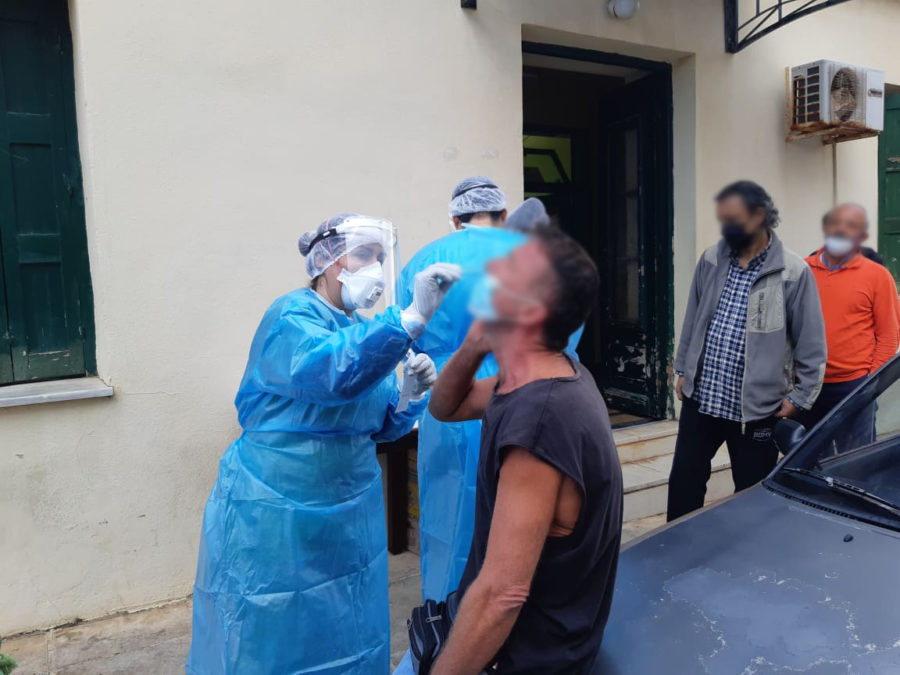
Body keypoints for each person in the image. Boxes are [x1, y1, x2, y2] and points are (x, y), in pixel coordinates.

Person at [187, 214, 460, 675]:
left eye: (380, 257)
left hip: (349, 516)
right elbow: (330, 373)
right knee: (272, 630)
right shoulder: (290, 317)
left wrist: (409, 397)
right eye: (365, 255)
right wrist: (409, 320)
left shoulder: (361, 329)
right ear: (328, 262)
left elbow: (378, 425)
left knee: (346, 629)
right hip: (278, 509)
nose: (375, 268)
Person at [422, 229, 621, 674]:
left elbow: (502, 595)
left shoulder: (540, 420)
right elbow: (445, 407)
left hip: (528, 657)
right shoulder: (535, 374)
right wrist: (476, 343)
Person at [397, 176, 525, 603]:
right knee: (518, 513)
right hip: (517, 395)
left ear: (455, 219)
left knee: (449, 517)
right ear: (504, 215)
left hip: (446, 401)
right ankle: (506, 613)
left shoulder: (424, 260)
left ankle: (449, 613)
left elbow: (403, 332)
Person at [667, 181, 827, 522]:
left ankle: (745, 553)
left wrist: (800, 399)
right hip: (702, 398)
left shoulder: (793, 272)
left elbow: (812, 345)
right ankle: (672, 547)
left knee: (752, 497)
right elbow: (693, 318)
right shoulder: (712, 259)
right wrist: (682, 370)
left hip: (757, 410)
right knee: (684, 483)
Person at [802, 203, 900, 441]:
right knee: (809, 457)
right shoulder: (802, 270)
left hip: (853, 386)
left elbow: (889, 334)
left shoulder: (877, 276)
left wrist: (869, 383)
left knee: (854, 457)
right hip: (806, 384)